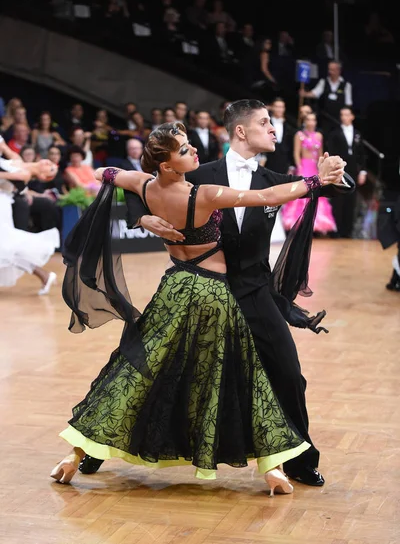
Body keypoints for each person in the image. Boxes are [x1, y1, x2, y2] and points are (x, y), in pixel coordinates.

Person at [50, 120, 346, 490]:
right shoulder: (203, 192)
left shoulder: (144, 183)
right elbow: (268, 197)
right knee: (240, 375)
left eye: (190, 144)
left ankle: (78, 450)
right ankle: (271, 466)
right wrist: (314, 180)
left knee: (137, 369)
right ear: (168, 165)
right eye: (184, 149)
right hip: (212, 294)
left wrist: (144, 214)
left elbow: (104, 173)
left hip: (175, 286)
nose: (193, 151)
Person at [0, 150, 59, 293]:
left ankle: (44, 275)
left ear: (43, 176)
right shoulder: (17, 160)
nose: (49, 163)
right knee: (6, 249)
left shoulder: (24, 175)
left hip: (1, 205)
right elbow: (3, 145)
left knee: (6, 249)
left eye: (51, 168)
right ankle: (44, 275)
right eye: (51, 163)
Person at [281, 112, 337, 235]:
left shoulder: (319, 136)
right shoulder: (299, 135)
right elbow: (296, 153)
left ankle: (315, 225)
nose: (311, 122)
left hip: (315, 167)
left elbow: (321, 154)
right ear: (304, 122)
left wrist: (322, 168)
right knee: (303, 192)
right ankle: (299, 223)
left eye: (313, 120)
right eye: (309, 120)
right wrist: (299, 167)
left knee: (317, 194)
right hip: (304, 166)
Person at [327, 107, 367, 238]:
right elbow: (331, 151)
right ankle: (336, 230)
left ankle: (347, 230)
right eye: (342, 115)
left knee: (351, 200)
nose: (344, 117)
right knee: (338, 199)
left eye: (347, 114)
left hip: (354, 170)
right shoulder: (334, 133)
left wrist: (363, 171)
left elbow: (362, 154)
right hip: (340, 169)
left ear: (352, 116)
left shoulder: (358, 133)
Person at [299, 61, 352, 135]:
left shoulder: (346, 85)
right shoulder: (323, 82)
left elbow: (348, 103)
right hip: (325, 118)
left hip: (339, 119)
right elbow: (315, 93)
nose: (330, 72)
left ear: (339, 70)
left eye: (333, 70)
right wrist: (305, 94)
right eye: (329, 69)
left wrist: (345, 118)